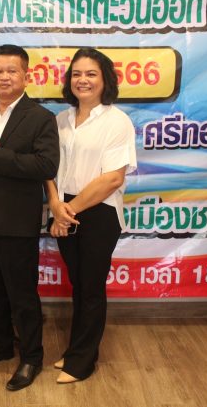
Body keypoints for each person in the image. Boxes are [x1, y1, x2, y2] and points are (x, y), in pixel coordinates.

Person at [0, 44, 59, 391]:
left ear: (26, 75)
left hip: (18, 222)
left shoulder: (40, 117)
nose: (4, 77)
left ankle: (32, 356)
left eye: (12, 71)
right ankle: (2, 345)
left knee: (22, 295)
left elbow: (46, 165)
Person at [45, 48, 137, 384]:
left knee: (92, 287)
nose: (82, 80)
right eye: (77, 74)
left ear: (105, 80)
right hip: (63, 207)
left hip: (98, 212)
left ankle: (81, 362)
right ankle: (78, 351)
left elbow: (113, 178)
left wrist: (66, 212)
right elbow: (48, 167)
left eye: (91, 74)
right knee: (79, 285)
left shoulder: (117, 121)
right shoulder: (60, 120)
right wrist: (55, 204)